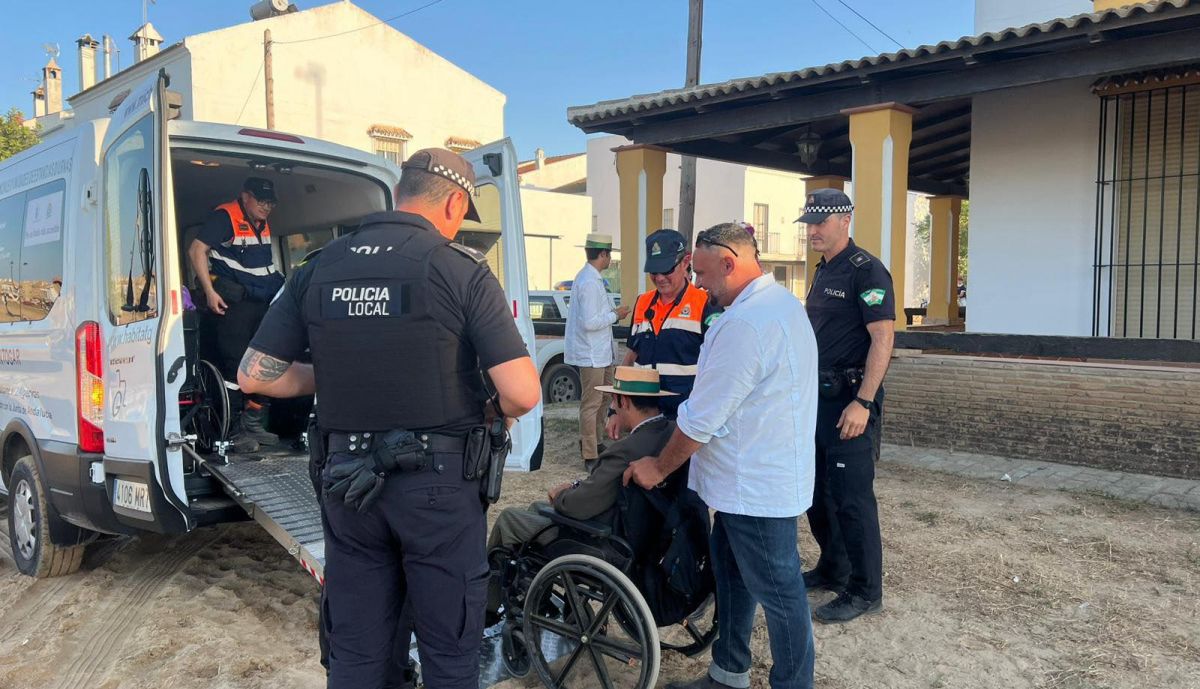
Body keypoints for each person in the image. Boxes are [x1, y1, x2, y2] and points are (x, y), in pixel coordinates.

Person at [237, 147, 541, 689]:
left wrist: (329, 374)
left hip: (348, 486)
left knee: (357, 653)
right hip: (439, 493)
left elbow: (255, 376)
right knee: (449, 653)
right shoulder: (459, 270)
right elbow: (521, 393)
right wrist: (489, 409)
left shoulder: (319, 266)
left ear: (400, 193)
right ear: (453, 202)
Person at [625, 223, 818, 689]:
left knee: (780, 593)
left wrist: (657, 466)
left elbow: (702, 418)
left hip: (755, 484)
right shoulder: (775, 307)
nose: (702, 284)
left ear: (730, 262)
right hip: (742, 481)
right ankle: (728, 671)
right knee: (732, 577)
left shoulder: (747, 323)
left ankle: (793, 684)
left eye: (706, 273)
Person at [485, 366, 675, 619]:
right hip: (649, 537)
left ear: (624, 400)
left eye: (614, 403)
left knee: (509, 519)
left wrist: (562, 494)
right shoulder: (670, 435)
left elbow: (580, 506)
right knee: (533, 512)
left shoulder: (627, 449)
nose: (613, 409)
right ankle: (542, 598)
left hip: (605, 542)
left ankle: (486, 606)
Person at [798, 188, 896, 624]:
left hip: (850, 401)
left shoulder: (866, 271)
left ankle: (865, 590)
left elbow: (883, 338)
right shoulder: (822, 272)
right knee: (818, 495)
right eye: (809, 223)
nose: (813, 230)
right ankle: (834, 567)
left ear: (845, 220)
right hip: (816, 402)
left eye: (820, 222)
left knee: (853, 500)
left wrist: (863, 401)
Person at [188, 177, 287, 452]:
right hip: (234, 305)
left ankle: (253, 423)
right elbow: (196, 250)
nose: (267, 207)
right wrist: (209, 292)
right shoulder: (224, 217)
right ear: (245, 197)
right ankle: (231, 432)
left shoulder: (262, 223)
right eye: (262, 201)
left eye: (271, 202)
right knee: (234, 367)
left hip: (261, 303)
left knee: (264, 363)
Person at [608, 229, 719, 434]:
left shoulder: (705, 304)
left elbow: (719, 367)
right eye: (653, 272)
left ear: (685, 262)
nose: (659, 278)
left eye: (666, 270)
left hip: (685, 421)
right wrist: (614, 409)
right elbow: (630, 357)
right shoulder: (643, 302)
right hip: (644, 421)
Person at [564, 233, 631, 465]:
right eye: (609, 254)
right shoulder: (589, 282)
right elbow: (590, 323)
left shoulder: (591, 278)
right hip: (591, 353)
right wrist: (616, 315)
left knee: (603, 398)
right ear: (603, 254)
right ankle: (589, 453)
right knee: (591, 403)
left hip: (600, 352)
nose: (610, 259)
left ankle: (596, 440)